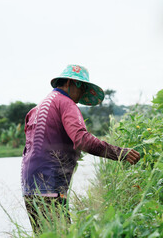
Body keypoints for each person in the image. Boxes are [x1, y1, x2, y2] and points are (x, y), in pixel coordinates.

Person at [21, 64, 140, 234]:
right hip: (50, 183)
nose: (82, 94)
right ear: (69, 83)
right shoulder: (66, 103)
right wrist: (120, 153)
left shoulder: (37, 108)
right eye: (82, 87)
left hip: (29, 186)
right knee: (61, 234)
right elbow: (82, 139)